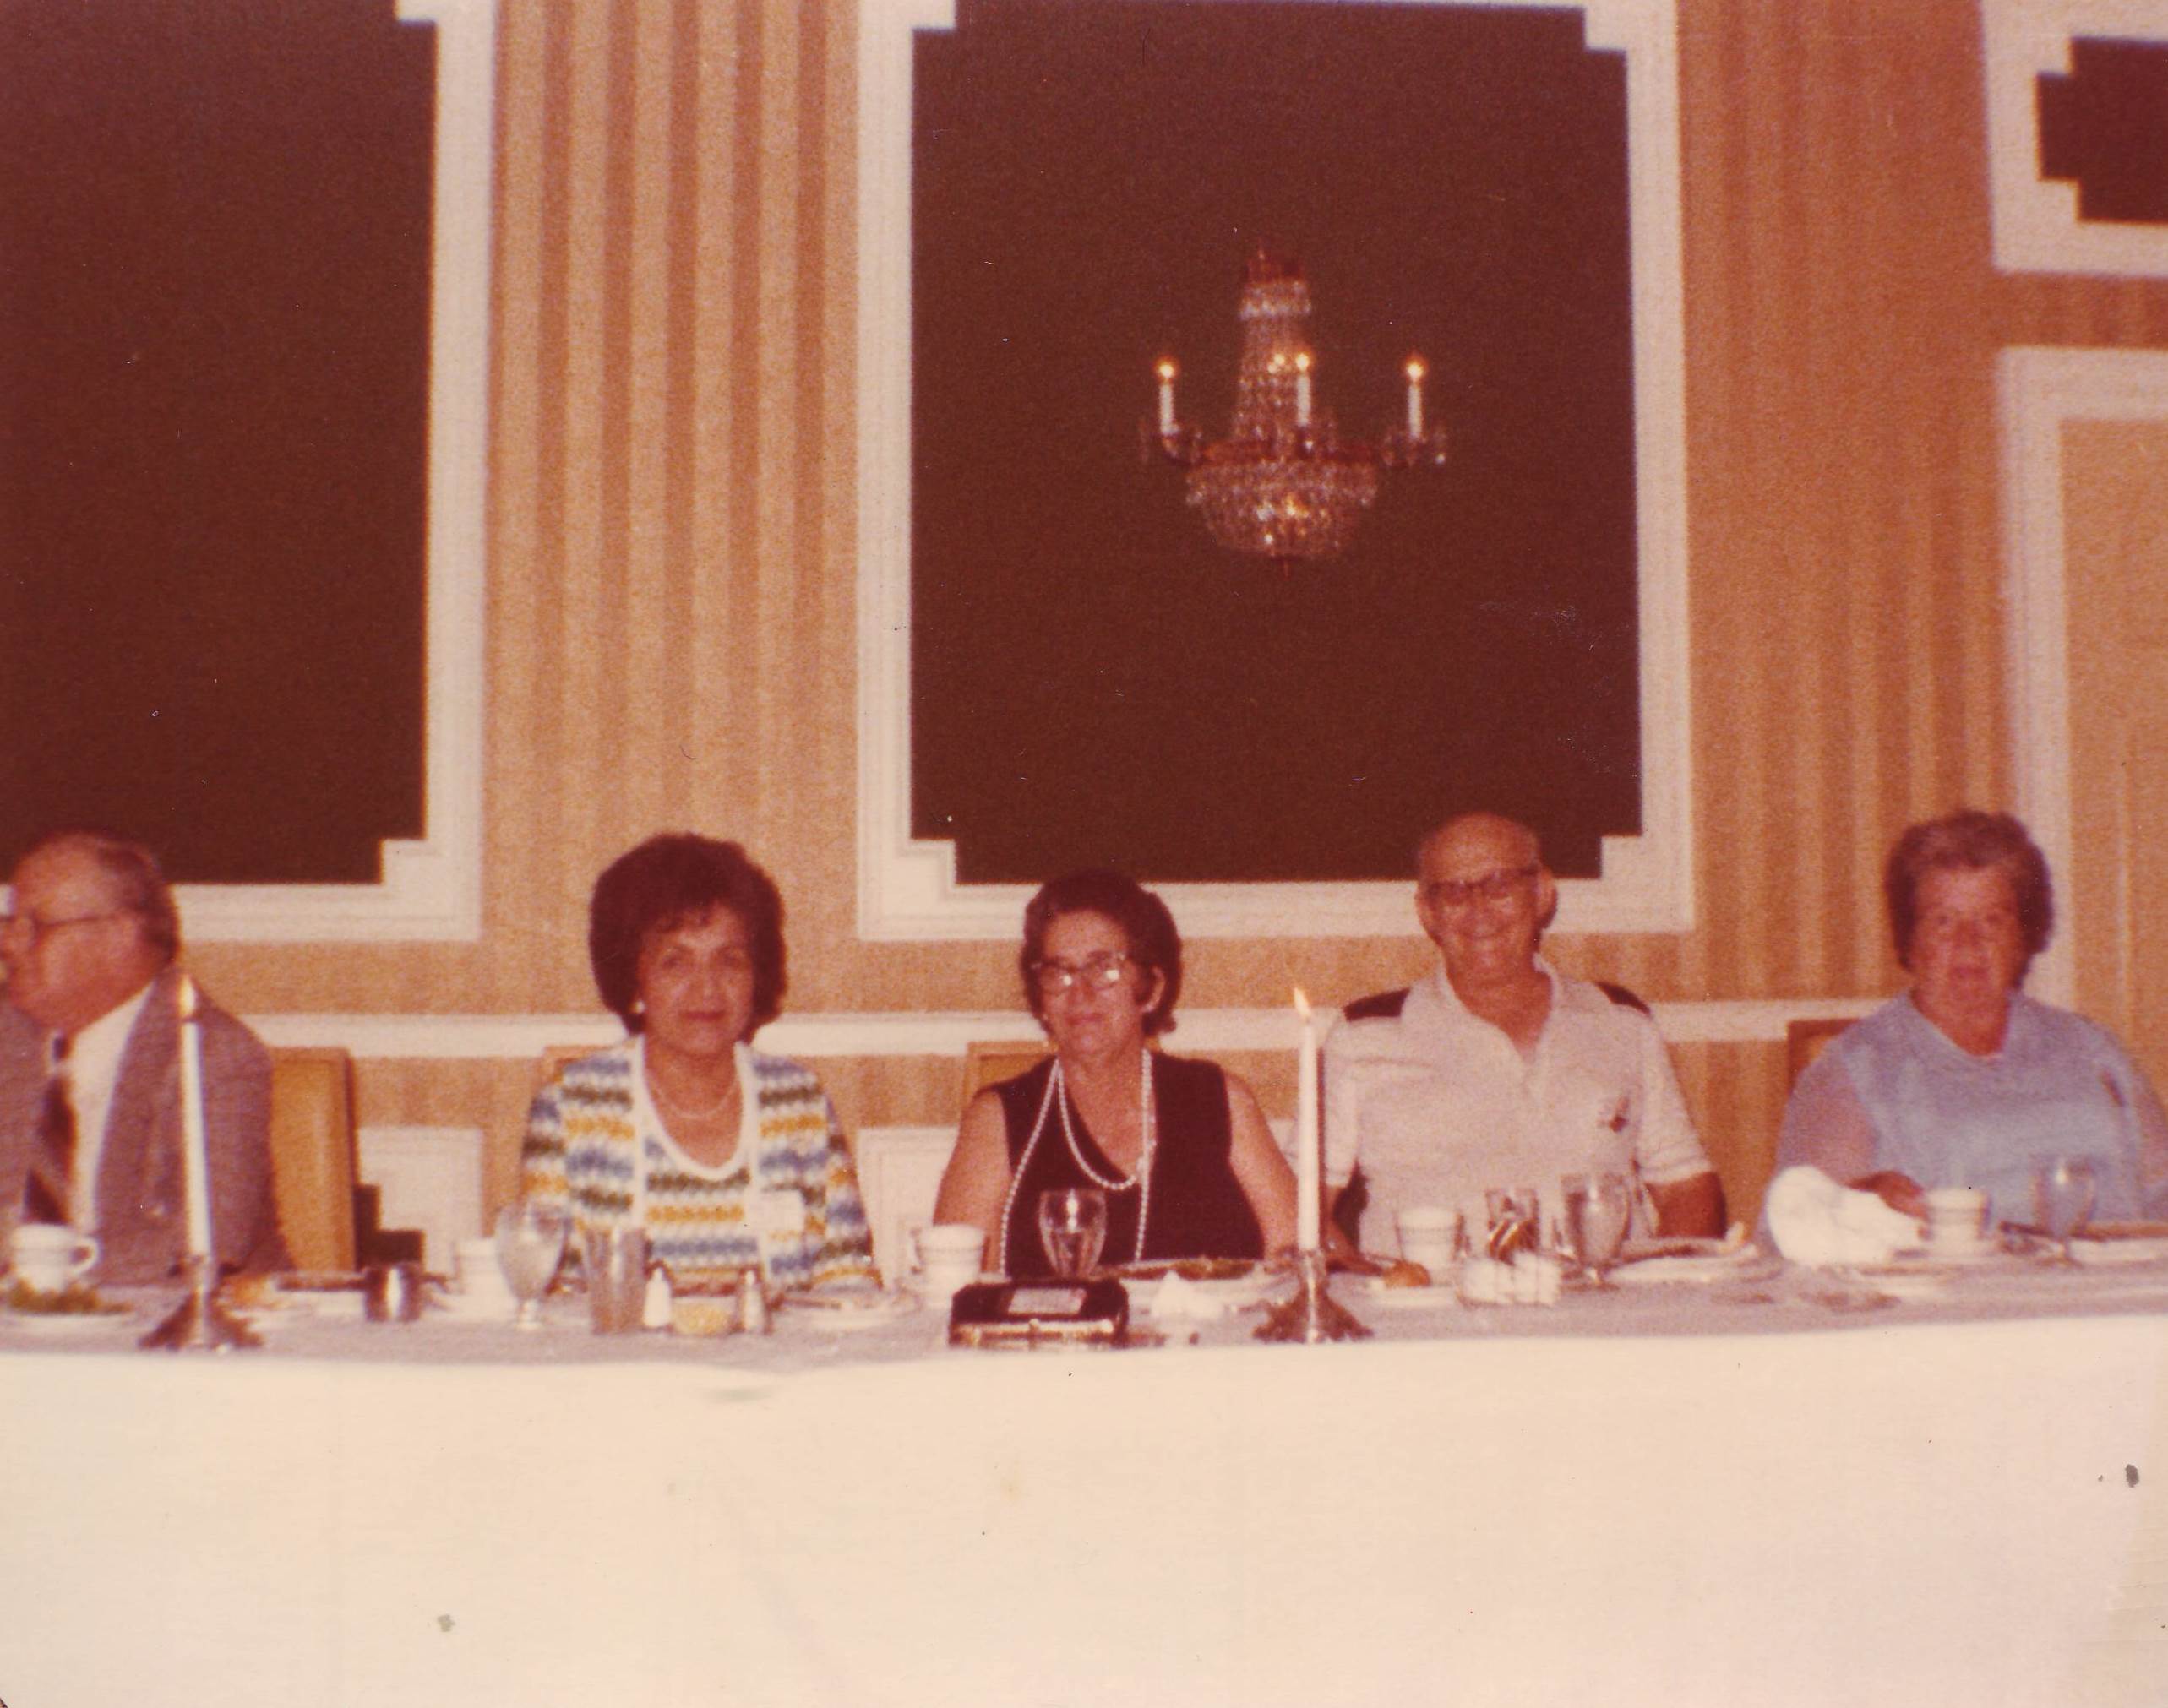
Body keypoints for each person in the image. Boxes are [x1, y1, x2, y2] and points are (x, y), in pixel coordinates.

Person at [1325, 812, 1724, 1251]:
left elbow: (1686, 1186)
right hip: (1435, 1292)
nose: (1478, 910)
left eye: (1499, 884)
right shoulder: (1364, 1035)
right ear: (1427, 912)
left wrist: (1658, 1280)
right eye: (1454, 891)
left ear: (1542, 893)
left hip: (1599, 1288)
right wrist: (1367, 1280)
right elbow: (1300, 1203)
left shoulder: (1621, 1020)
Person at [1777, 809, 2168, 1226]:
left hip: (2118, 1266)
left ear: (2024, 936)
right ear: (1909, 938)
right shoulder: (1857, 1069)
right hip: (1958, 1269)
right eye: (1943, 921)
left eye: (1991, 920)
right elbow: (1799, 1226)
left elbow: (2163, 1189)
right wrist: (1864, 1201)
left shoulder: (2090, 1048)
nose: (1969, 942)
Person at [521, 834, 875, 1292]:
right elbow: (547, 1288)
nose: (706, 988)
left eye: (730, 961)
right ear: (634, 977)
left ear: (757, 974)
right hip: (623, 1343)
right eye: (676, 962)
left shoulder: (798, 1099)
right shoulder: (571, 1106)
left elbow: (848, 1277)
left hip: (780, 1343)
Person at [934, 869, 1298, 1278]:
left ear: (1152, 989)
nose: (1080, 993)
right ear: (1041, 1001)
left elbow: (1300, 1252)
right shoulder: (999, 1118)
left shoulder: (1218, 1099)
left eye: (1104, 968)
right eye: (1059, 972)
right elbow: (954, 1286)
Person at [0, 830, 286, 1284]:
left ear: (119, 935)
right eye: (9, 922)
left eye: (35, 926)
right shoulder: (8, 1035)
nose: (8, 944)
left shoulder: (211, 1053)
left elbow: (206, 1236)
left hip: (173, 1315)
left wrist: (48, 1274)